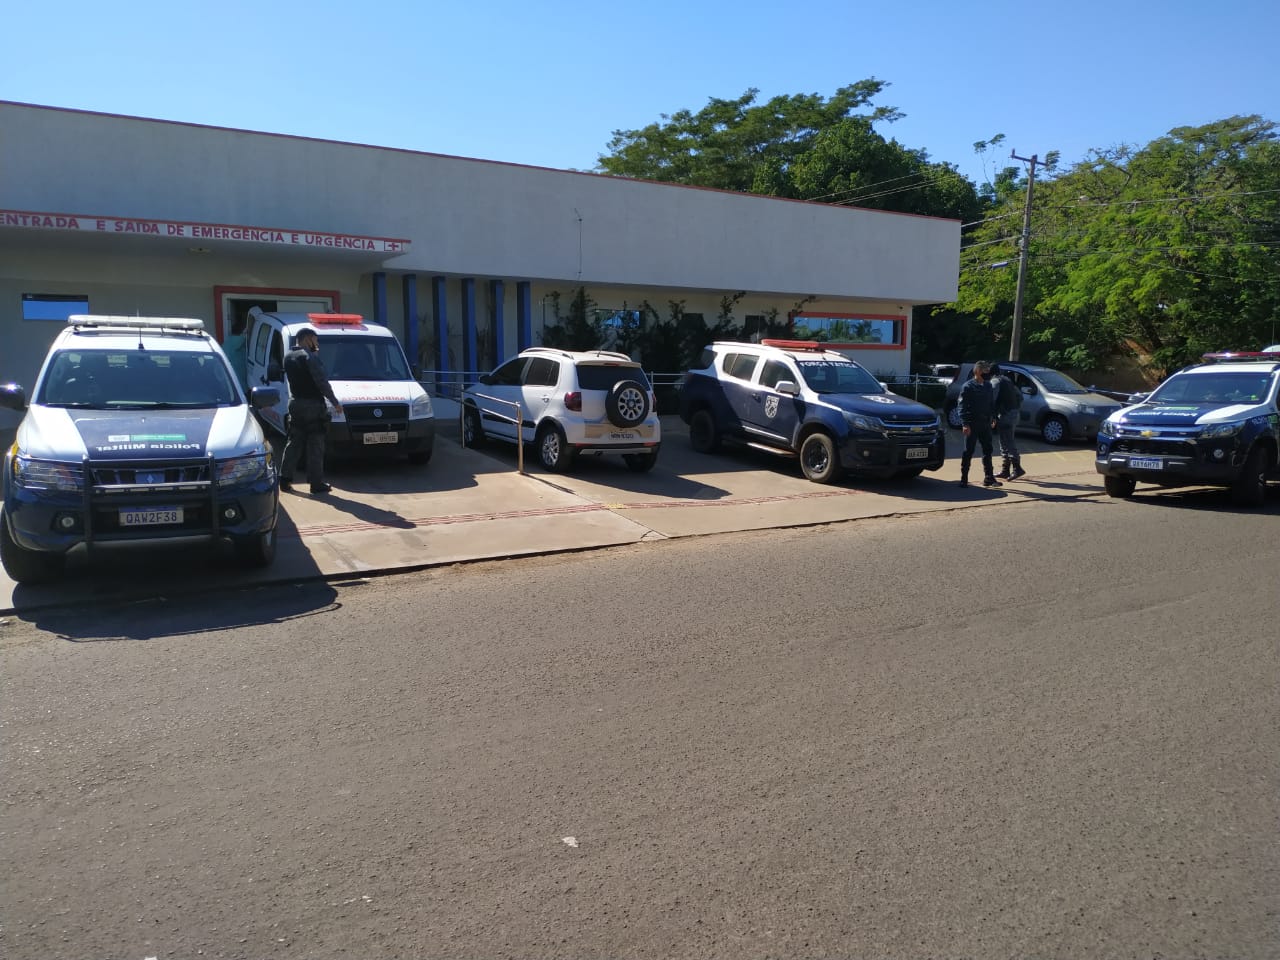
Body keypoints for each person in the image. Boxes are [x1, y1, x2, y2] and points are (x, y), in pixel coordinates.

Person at [279, 326, 342, 495]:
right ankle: (316, 483)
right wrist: (335, 402)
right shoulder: (310, 358)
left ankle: (284, 480)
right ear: (308, 339)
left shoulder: (288, 357)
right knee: (316, 445)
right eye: (315, 339)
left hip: (295, 404)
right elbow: (322, 383)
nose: (317, 343)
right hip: (312, 406)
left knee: (294, 443)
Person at [957, 360, 1000, 488]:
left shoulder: (987, 386)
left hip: (985, 423)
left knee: (988, 450)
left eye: (987, 371)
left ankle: (989, 478)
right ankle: (964, 479)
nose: (987, 373)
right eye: (984, 371)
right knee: (968, 451)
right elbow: (962, 406)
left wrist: (993, 417)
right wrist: (965, 423)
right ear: (977, 371)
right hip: (972, 423)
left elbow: (991, 403)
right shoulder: (968, 386)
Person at [989, 364, 1025, 480]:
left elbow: (992, 400)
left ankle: (1017, 468)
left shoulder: (995, 381)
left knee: (1007, 441)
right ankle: (1006, 470)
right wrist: (1015, 408)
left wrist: (992, 415)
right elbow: (1020, 396)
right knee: (1004, 441)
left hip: (1006, 415)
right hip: (1012, 413)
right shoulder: (1007, 380)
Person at [222, 313, 251, 395]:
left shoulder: (228, 343)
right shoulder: (234, 342)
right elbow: (244, 336)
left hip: (232, 385)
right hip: (238, 386)